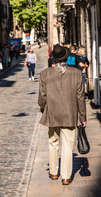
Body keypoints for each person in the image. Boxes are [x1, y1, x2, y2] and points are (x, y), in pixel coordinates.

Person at [38, 44, 86, 185]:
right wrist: (82, 117)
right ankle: (65, 176)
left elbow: (42, 97)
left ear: (53, 59)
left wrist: (43, 109)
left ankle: (53, 172)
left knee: (53, 142)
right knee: (67, 145)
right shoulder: (76, 73)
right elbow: (80, 97)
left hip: (52, 113)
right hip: (70, 113)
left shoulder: (44, 74)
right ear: (66, 57)